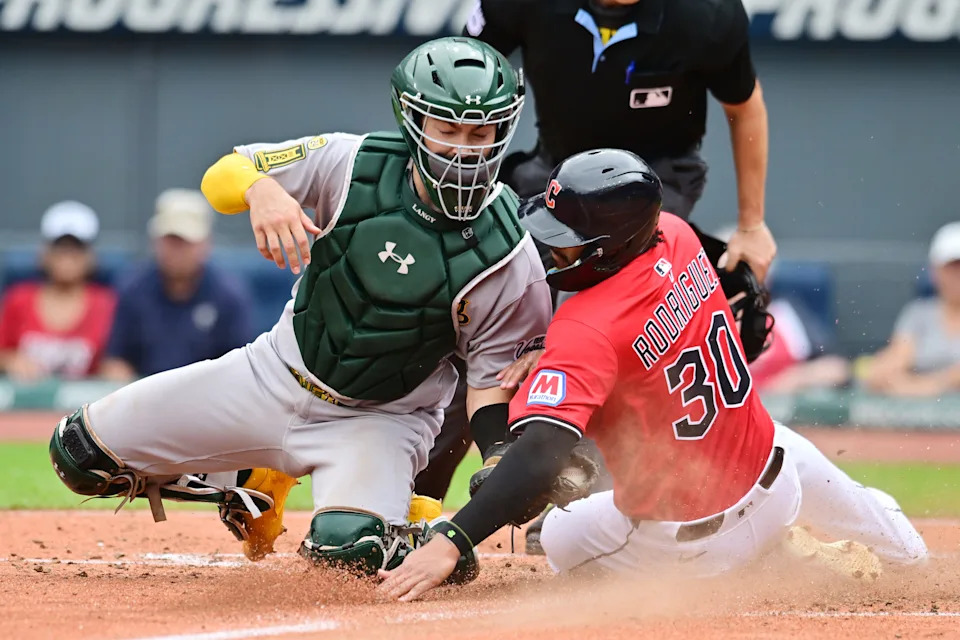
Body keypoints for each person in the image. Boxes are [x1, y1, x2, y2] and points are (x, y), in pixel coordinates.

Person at [48, 37, 552, 577]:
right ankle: (245, 481)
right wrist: (261, 189)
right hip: (273, 375)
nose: (464, 149)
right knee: (78, 453)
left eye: (481, 133)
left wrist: (499, 454)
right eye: (447, 130)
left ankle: (403, 531)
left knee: (346, 552)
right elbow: (221, 177)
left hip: (380, 419)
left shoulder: (511, 255)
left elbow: (489, 384)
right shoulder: (350, 161)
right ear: (414, 121)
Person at [378, 149, 927, 602]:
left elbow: (541, 455)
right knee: (910, 555)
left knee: (558, 537)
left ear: (608, 245)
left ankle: (761, 571)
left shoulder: (585, 328)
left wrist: (451, 541)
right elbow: (648, 315)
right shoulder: (676, 233)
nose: (551, 244)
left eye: (565, 234)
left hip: (698, 540)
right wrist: (559, 350)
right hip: (780, 469)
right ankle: (895, 547)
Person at [414, 0, 776, 525]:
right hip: (552, 175)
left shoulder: (705, 12)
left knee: (614, 308)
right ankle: (417, 495)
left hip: (656, 179)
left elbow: (745, 106)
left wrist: (752, 224)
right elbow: (457, 81)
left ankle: (591, 502)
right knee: (484, 312)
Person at [98, 189, 254, 381]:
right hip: (144, 398)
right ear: (155, 241)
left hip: (207, 400)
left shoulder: (229, 296)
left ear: (206, 244)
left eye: (186, 242)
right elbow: (116, 360)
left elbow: (239, 369)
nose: (176, 251)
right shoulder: (132, 288)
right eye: (170, 241)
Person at [0, 201, 116, 381]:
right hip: (28, 406)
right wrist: (10, 361)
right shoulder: (18, 299)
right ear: (44, 253)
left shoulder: (107, 305)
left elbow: (118, 362)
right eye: (60, 248)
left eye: (76, 249)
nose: (67, 257)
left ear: (91, 256)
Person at [864, 221, 960, 397]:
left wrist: (934, 384)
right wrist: (903, 382)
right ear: (935, 272)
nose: (957, 275)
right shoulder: (918, 314)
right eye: (951, 267)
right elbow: (887, 367)